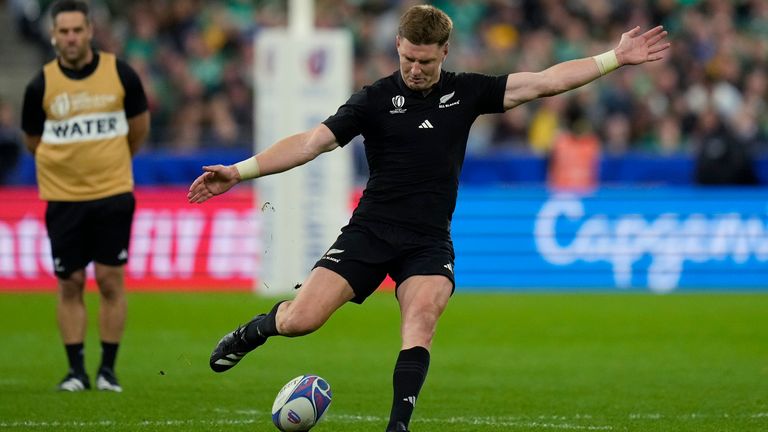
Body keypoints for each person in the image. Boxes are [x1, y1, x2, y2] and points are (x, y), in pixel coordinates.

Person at [187, 5, 669, 431]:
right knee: (300, 321)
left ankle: (398, 425)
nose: (415, 69)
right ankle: (254, 331)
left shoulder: (467, 93)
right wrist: (239, 170)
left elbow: (544, 81)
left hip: (428, 240)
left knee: (422, 319)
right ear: (397, 45)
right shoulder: (373, 100)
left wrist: (614, 58)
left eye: (426, 61)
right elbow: (310, 143)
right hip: (370, 231)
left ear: (444, 52)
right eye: (408, 59)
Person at [20, 0, 149, 392]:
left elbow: (138, 128)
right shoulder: (40, 85)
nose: (71, 38)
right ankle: (75, 371)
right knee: (70, 282)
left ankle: (107, 370)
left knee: (111, 281)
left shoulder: (121, 74)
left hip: (112, 195)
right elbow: (33, 140)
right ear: (54, 36)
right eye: (64, 32)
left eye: (78, 30)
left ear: (90, 31)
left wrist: (110, 163)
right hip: (62, 199)